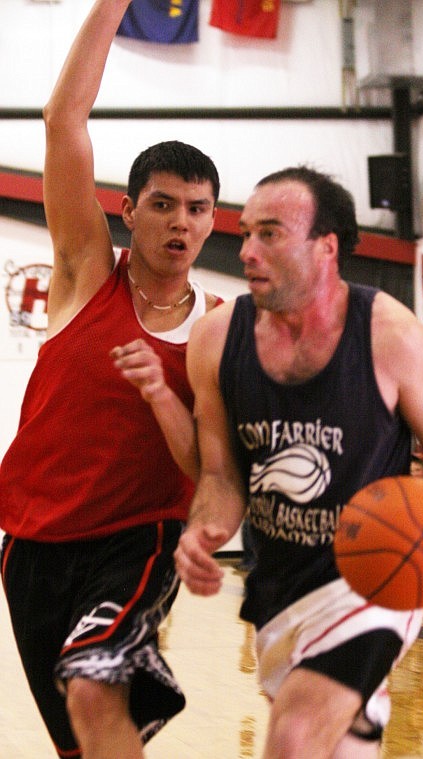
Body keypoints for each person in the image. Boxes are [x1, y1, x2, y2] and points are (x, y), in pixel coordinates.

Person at [174, 166, 423, 759]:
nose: (246, 251)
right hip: (278, 586)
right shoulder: (216, 339)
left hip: (374, 580)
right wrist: (202, 528)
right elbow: (221, 475)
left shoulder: (393, 336)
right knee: (338, 748)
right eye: (245, 233)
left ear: (326, 247)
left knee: (293, 740)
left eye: (270, 234)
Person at [0, 1, 222, 758]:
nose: (180, 223)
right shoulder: (85, 274)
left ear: (212, 222)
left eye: (197, 209)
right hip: (29, 538)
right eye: (162, 204)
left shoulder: (220, 329)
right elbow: (64, 120)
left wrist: (161, 394)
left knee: (95, 686)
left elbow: (205, 465)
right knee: (82, 740)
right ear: (128, 212)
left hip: (137, 540)